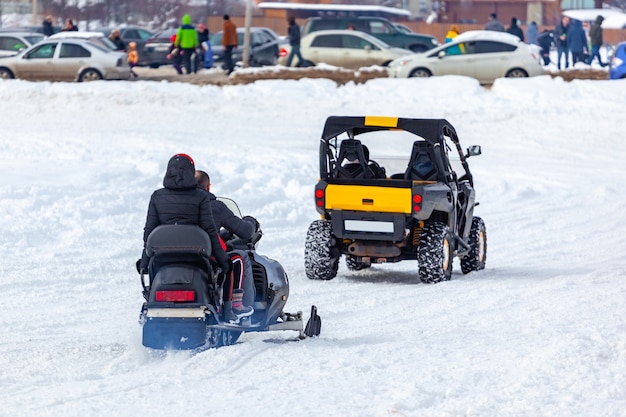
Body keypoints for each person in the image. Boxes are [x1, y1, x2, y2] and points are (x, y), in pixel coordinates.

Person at [139, 154, 231, 285]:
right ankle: (225, 304)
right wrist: (223, 261)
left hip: (162, 257)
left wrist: (144, 263)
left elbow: (149, 232)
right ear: (191, 172)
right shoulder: (201, 196)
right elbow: (209, 230)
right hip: (196, 257)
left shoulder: (157, 196)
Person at [195, 170, 258, 323]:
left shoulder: (179, 205)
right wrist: (251, 222)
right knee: (239, 257)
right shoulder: (215, 206)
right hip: (208, 256)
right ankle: (240, 304)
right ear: (208, 187)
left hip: (181, 252)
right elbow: (244, 231)